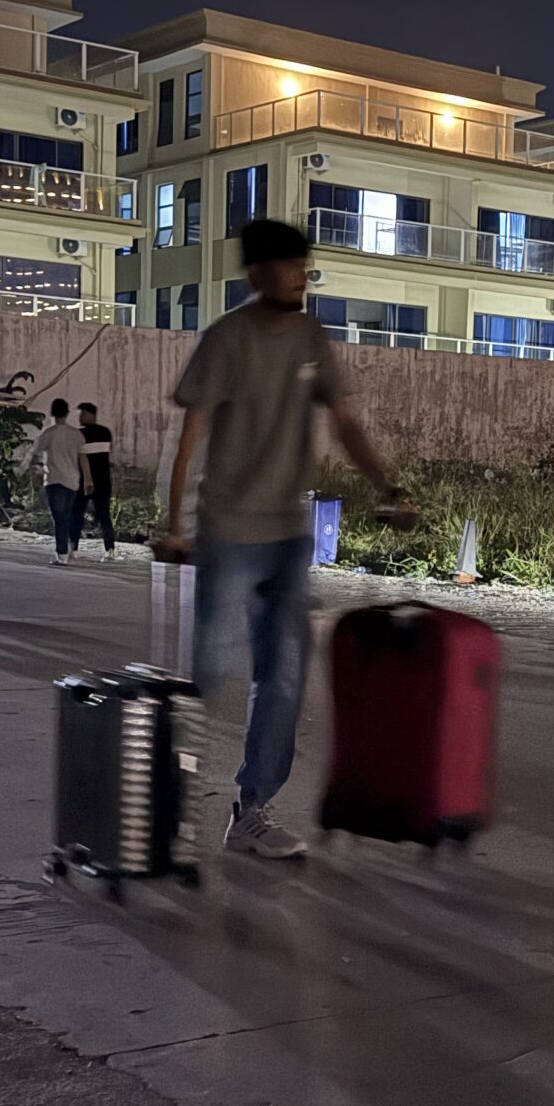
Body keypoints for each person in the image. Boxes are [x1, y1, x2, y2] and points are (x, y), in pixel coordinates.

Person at [160, 218, 410, 859]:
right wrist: (173, 525)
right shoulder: (226, 339)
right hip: (228, 532)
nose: (301, 276)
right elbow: (190, 438)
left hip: (287, 535)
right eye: (290, 266)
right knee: (209, 672)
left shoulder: (311, 336)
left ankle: (251, 811)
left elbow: (345, 422)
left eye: (304, 265)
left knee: (283, 678)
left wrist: (387, 487)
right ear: (256, 273)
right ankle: (160, 806)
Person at [31, 398, 88, 566]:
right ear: (67, 413)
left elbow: (36, 453)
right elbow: (83, 458)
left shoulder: (49, 434)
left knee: (59, 518)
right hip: (72, 480)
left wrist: (34, 468)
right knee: (67, 516)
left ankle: (62, 553)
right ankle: (67, 547)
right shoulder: (76, 434)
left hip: (54, 480)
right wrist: (88, 479)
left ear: (53, 413)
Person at [76, 401, 117, 560]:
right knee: (104, 515)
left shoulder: (80, 434)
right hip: (103, 480)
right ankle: (110, 549)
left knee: (77, 513)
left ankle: (73, 547)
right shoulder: (105, 432)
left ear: (91, 415)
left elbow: (81, 457)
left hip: (84, 480)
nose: (80, 417)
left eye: (83, 414)